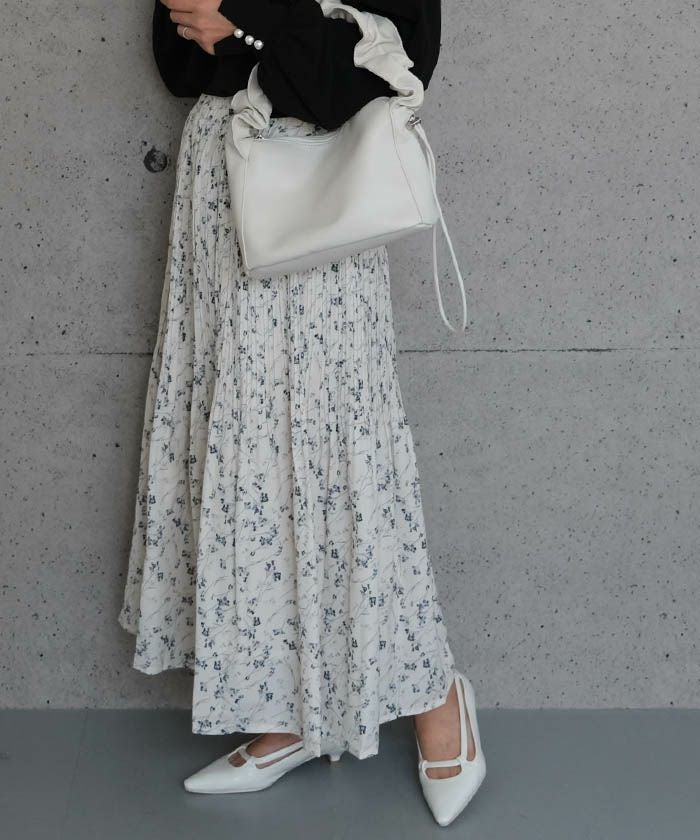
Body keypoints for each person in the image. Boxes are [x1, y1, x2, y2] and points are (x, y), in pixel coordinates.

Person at [118, 0, 486, 827]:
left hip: (321, 190)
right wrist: (225, 32)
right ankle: (286, 712)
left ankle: (435, 696)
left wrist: (244, 22)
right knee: (242, 463)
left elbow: (378, 72)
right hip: (220, 191)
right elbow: (180, 68)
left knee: (341, 461)